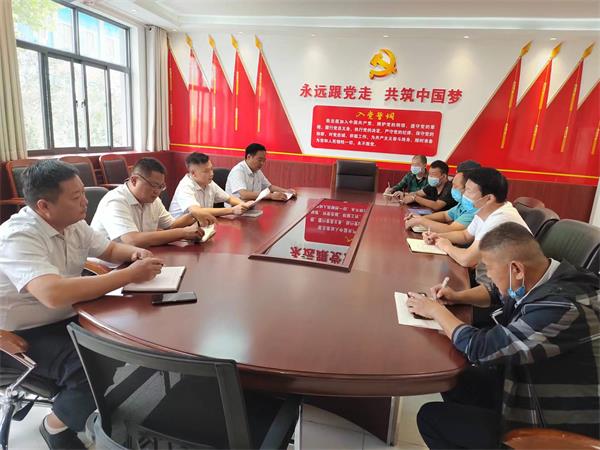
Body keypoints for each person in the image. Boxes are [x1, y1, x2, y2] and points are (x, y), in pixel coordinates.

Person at [0, 160, 163, 449]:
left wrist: (134, 253)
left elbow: (109, 249)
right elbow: (51, 294)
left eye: (83, 193)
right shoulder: (18, 235)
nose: (85, 202)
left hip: (66, 314)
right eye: (76, 197)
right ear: (44, 206)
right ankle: (54, 426)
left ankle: (81, 405)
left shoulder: (74, 224)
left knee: (122, 340)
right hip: (20, 332)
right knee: (90, 365)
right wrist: (127, 275)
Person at [407, 223, 600, 449]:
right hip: (525, 382)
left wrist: (435, 311)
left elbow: (482, 349)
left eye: (489, 268)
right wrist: (457, 297)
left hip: (555, 426)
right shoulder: (551, 275)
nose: (487, 275)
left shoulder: (562, 307)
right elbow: (497, 293)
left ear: (516, 269)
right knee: (457, 378)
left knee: (431, 419)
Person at [91, 158, 215, 247]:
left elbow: (171, 226)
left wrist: (194, 215)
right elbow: (132, 240)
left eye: (161, 186)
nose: (157, 192)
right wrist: (183, 233)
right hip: (110, 268)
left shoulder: (152, 200)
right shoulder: (115, 201)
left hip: (139, 258)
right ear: (134, 180)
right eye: (154, 185)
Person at [422, 167, 529, 267]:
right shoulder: (485, 210)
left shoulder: (500, 219)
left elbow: (466, 259)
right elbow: (465, 235)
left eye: (468, 190)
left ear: (489, 198)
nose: (463, 194)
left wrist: (446, 246)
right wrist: (437, 236)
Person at [169, 152, 254, 218]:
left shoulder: (209, 183)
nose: (211, 173)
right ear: (193, 173)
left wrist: (243, 205)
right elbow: (197, 211)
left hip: (201, 225)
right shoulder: (185, 186)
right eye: (206, 171)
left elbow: (229, 199)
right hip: (180, 230)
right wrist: (232, 210)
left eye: (211, 169)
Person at [405, 160, 481, 233]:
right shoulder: (462, 204)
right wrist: (420, 218)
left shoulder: (474, 210)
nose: (453, 188)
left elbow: (451, 229)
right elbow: (445, 215)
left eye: (455, 186)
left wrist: (421, 220)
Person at [225, 143, 296, 201]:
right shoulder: (238, 171)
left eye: (264, 160)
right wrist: (271, 196)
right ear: (249, 157)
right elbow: (244, 194)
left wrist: (286, 191)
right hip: (235, 210)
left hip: (251, 207)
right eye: (259, 160)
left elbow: (269, 187)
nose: (262, 163)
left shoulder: (257, 171)